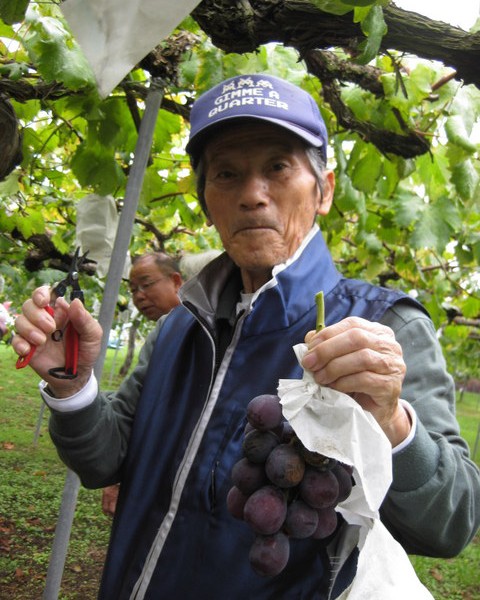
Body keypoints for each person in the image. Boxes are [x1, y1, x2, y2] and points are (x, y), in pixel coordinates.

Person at [13, 74, 480, 599]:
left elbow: (451, 525)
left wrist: (391, 424)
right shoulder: (180, 325)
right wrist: (72, 386)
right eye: (227, 174)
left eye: (277, 167)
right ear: (207, 200)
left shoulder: (386, 327)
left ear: (323, 190)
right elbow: (104, 461)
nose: (252, 195)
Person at [101, 251, 183, 517]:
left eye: (146, 284)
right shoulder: (167, 331)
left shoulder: (191, 332)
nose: (138, 295)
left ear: (176, 281)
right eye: (133, 289)